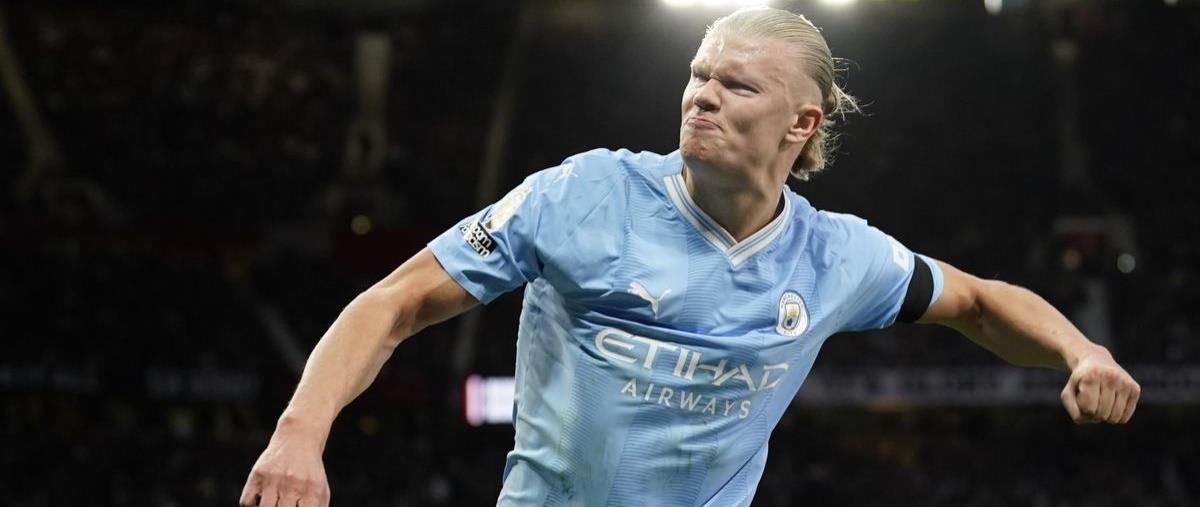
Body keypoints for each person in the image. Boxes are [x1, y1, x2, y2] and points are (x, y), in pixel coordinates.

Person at [239, 7, 1140, 507]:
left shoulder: (835, 257)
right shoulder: (583, 194)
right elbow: (393, 301)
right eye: (698, 73)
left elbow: (979, 301)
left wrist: (1081, 349)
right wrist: (299, 435)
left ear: (801, 123)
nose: (702, 95)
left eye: (735, 83)